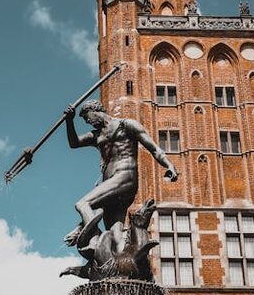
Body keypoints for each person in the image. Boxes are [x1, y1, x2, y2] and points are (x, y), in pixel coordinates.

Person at [64, 100, 177, 247]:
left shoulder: (126, 125)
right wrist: (69, 121)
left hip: (124, 177)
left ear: (95, 110)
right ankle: (121, 262)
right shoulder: (96, 135)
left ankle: (95, 241)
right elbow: (74, 143)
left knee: (83, 204)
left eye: (87, 117)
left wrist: (169, 165)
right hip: (112, 186)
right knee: (115, 235)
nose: (88, 122)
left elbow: (154, 148)